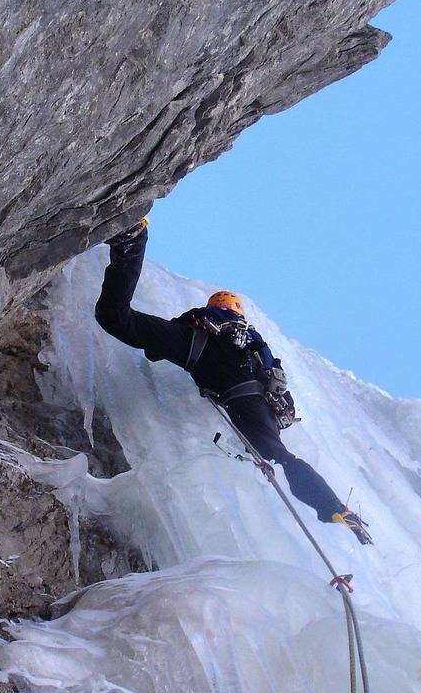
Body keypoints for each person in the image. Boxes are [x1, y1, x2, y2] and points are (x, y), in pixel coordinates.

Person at [94, 217, 372, 545]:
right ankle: (334, 508)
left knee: (115, 316)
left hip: (200, 351)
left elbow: (163, 342)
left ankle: (132, 242)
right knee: (280, 457)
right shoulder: (257, 347)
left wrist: (163, 344)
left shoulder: (207, 323)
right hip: (253, 399)